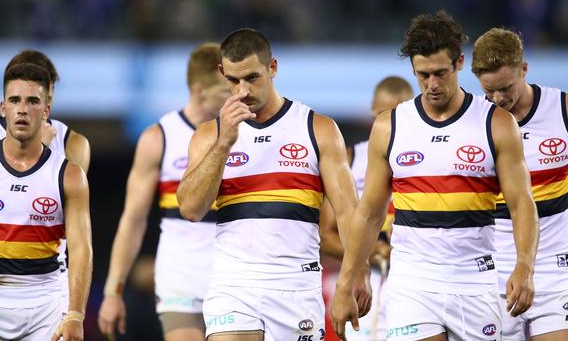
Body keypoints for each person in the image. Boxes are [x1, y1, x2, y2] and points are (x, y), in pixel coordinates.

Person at [331, 11, 539, 341]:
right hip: (413, 281)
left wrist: (525, 266)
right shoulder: (390, 126)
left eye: (440, 73)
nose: (432, 84)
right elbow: (369, 213)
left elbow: (521, 203)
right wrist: (348, 280)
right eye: (422, 75)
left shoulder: (496, 124)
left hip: (474, 279)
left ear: (459, 63)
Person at [176, 28, 363, 341]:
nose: (243, 90)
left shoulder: (317, 129)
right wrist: (224, 145)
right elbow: (191, 209)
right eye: (233, 80)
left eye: (252, 77)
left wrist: (355, 278)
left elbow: (349, 215)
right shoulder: (210, 135)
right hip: (233, 283)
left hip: (296, 285)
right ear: (221, 72)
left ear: (272, 68)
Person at [0, 63, 93, 340]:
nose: (22, 108)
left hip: (45, 306)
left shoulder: (70, 176)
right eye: (14, 100)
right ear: (3, 108)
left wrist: (76, 314)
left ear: (46, 111)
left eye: (32, 101)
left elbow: (82, 248)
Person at [97, 42, 231, 341]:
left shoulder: (243, 133)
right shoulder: (160, 137)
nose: (235, 98)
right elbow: (133, 219)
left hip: (232, 274)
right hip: (180, 275)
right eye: (226, 91)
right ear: (199, 90)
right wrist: (113, 291)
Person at [472, 27, 568, 340]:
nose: (498, 99)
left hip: (556, 265)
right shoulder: (473, 122)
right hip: (492, 269)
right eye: (489, 91)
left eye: (506, 87)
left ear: (524, 68)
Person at [319, 76, 413, 341]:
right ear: (373, 111)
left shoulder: (427, 159)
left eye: (399, 115)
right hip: (365, 279)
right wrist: (371, 252)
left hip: (415, 278)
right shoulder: (350, 160)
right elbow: (326, 237)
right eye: (384, 114)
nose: (390, 123)